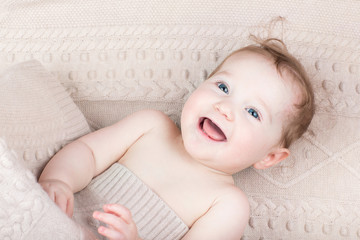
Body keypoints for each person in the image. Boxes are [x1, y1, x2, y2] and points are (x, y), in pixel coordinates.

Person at [39, 37, 315, 240]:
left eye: (253, 112)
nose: (225, 108)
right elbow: (88, 152)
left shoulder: (226, 204)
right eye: (223, 87)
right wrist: (59, 180)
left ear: (269, 157)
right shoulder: (150, 126)